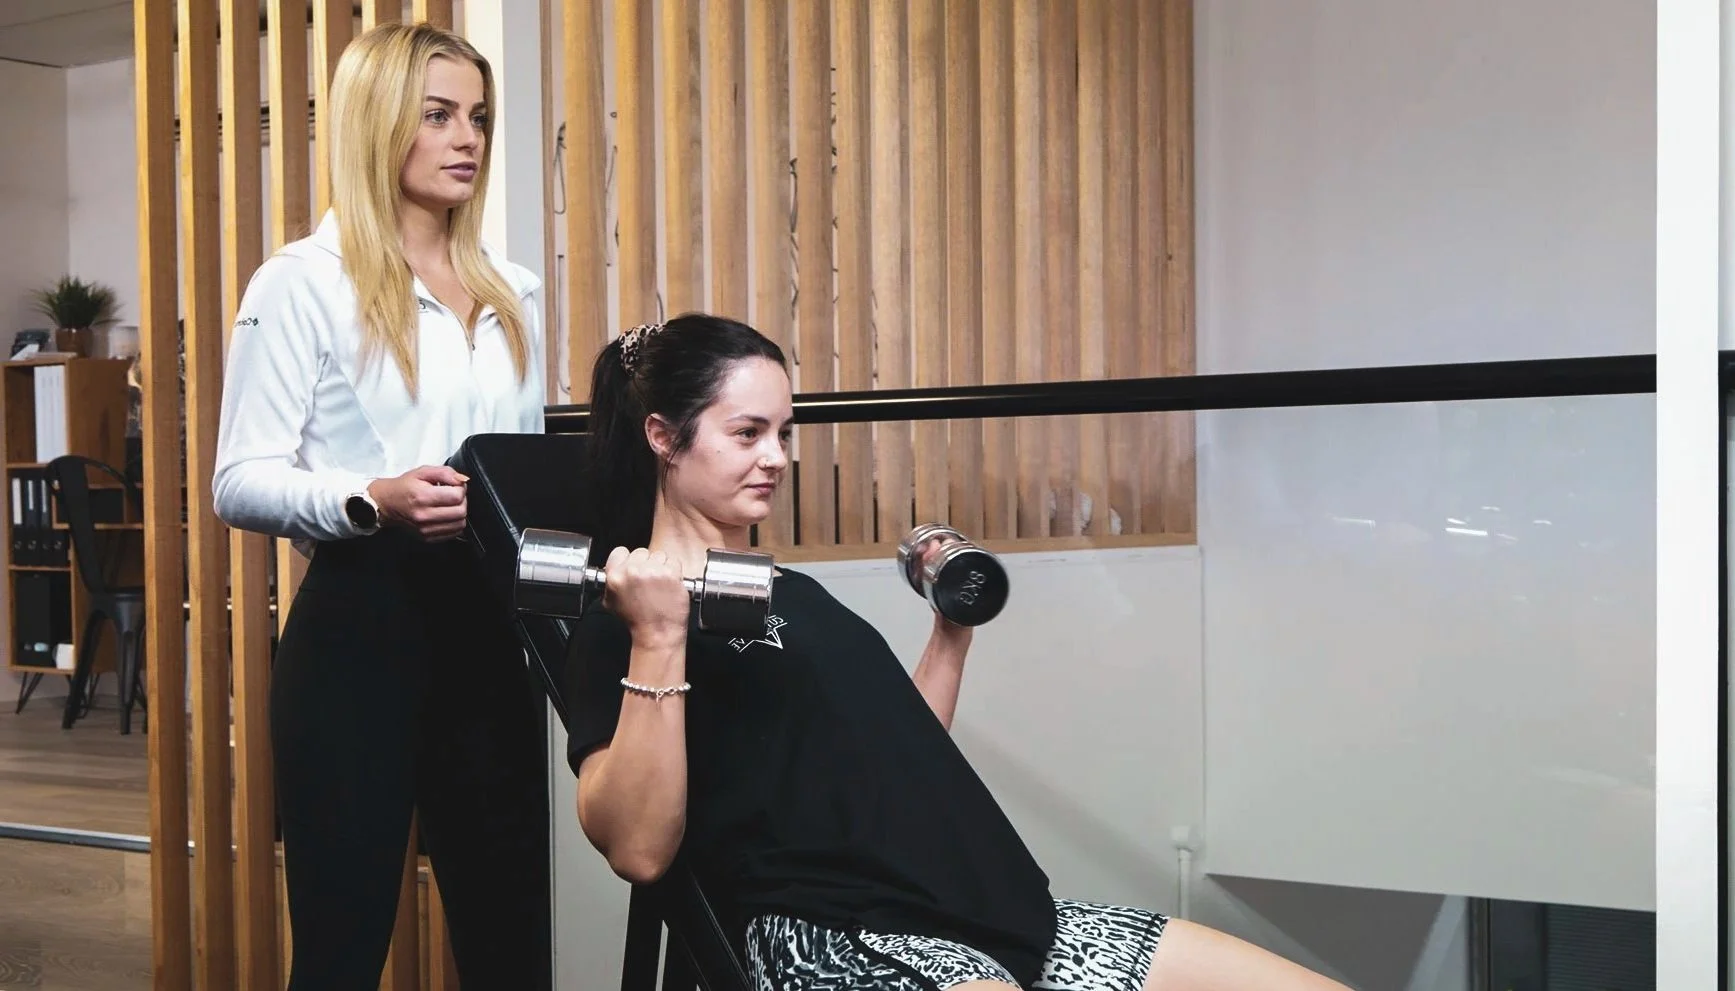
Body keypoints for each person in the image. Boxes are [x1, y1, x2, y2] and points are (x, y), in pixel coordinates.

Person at [562, 313, 1353, 991]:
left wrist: (951, 634)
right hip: (836, 930)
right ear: (663, 437)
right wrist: (658, 636)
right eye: (747, 433)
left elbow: (899, 750)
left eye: (783, 432)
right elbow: (636, 848)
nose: (777, 457)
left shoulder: (793, 593)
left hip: (989, 913)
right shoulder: (620, 620)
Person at [212, 22, 551, 991]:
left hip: (495, 635)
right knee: (341, 950)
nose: (467, 138)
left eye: (476, 117)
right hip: (360, 634)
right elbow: (238, 478)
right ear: (379, 122)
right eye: (437, 115)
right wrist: (370, 497)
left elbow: (523, 463)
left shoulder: (514, 290)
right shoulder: (300, 284)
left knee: (516, 949)